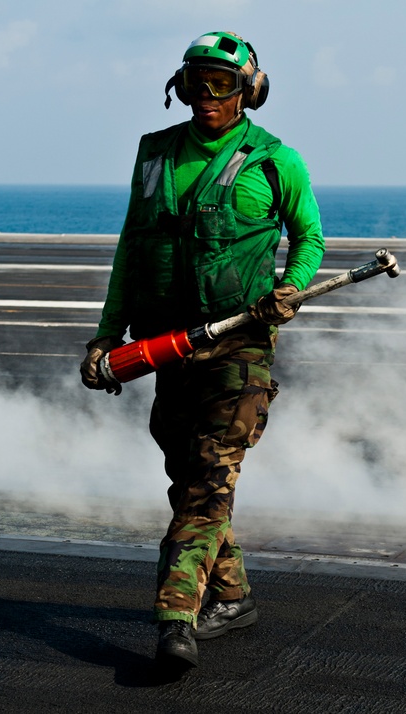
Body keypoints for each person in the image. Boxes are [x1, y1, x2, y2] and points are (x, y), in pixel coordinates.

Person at [79, 30, 325, 673]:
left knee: (206, 486)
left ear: (251, 91)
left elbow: (309, 238)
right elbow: (132, 249)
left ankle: (174, 619)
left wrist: (291, 289)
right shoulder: (155, 155)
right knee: (191, 480)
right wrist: (109, 333)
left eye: (222, 85)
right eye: (196, 84)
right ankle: (234, 593)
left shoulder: (276, 160)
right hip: (167, 350)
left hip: (240, 349)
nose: (207, 98)